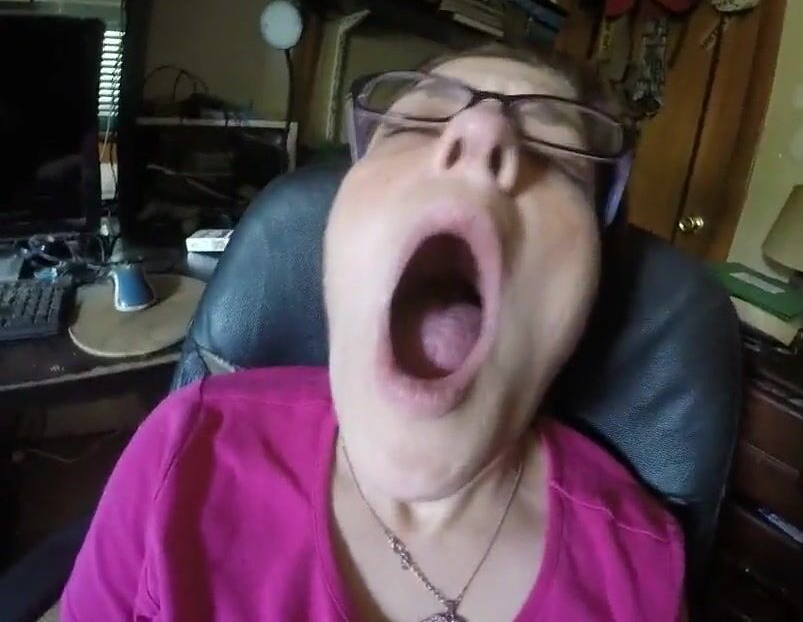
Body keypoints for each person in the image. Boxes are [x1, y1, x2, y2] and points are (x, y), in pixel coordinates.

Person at [62, 46, 686, 621]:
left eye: (552, 153)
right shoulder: (184, 452)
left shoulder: (642, 575)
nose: (480, 132)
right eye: (416, 125)